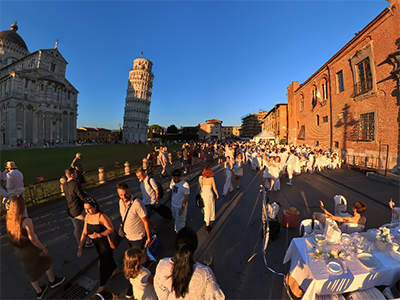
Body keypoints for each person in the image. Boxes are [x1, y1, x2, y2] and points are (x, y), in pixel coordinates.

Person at [6, 195, 65, 299]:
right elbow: (33, 239)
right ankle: (52, 281)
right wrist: (43, 248)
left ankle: (39, 291)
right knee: (46, 260)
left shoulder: (9, 220)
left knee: (29, 270)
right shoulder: (26, 221)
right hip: (30, 249)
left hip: (19, 251)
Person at [154, 227, 225, 299]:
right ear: (195, 247)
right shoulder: (206, 274)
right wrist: (211, 272)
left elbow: (161, 293)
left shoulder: (162, 264)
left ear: (176, 246)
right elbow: (214, 296)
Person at [117, 182, 152, 298]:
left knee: (134, 264)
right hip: (128, 237)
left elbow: (145, 221)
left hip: (138, 237)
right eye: (121, 195)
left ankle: (131, 287)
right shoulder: (120, 202)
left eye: (125, 193)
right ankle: (147, 260)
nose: (123, 197)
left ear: (129, 190)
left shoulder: (138, 203)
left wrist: (148, 237)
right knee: (137, 259)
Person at [77, 198, 120, 293]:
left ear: (95, 206)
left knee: (102, 264)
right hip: (97, 245)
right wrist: (80, 247)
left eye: (89, 208)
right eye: (85, 209)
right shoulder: (87, 217)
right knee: (107, 259)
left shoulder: (101, 216)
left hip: (105, 244)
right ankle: (116, 270)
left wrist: (99, 234)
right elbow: (84, 232)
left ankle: (102, 286)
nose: (87, 211)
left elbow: (111, 229)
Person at [63, 167, 93, 248]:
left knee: (76, 227)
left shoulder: (65, 185)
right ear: (72, 175)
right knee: (87, 226)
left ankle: (80, 244)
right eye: (76, 173)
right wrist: (89, 200)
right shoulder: (75, 184)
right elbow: (82, 196)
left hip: (71, 210)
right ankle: (88, 241)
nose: (77, 174)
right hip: (78, 209)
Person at [196, 167, 219, 233]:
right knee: (209, 209)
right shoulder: (211, 179)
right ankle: (207, 226)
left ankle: (205, 219)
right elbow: (214, 188)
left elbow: (198, 188)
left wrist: (196, 195)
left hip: (202, 195)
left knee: (204, 207)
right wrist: (217, 194)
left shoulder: (201, 178)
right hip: (209, 195)